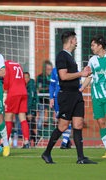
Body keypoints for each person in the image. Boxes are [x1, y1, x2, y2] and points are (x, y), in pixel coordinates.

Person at [41, 31, 97, 164]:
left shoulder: (70, 56)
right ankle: (46, 153)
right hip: (66, 95)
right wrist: (81, 73)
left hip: (76, 94)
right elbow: (63, 76)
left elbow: (72, 75)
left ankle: (81, 157)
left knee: (78, 124)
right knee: (63, 125)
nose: (77, 42)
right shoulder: (62, 56)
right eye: (76, 40)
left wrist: (83, 74)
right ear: (71, 41)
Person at [80, 35, 106, 159]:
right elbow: (90, 76)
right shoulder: (92, 60)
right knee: (101, 123)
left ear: (100, 45)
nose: (92, 47)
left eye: (93, 45)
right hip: (96, 97)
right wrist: (82, 88)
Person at [4, 60, 30, 149]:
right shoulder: (17, 64)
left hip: (13, 92)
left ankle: (5, 141)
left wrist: (5, 92)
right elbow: (23, 79)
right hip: (23, 91)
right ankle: (26, 141)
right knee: (22, 118)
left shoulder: (6, 65)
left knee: (8, 117)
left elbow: (6, 79)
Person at [49, 67, 72, 149]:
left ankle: (64, 142)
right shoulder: (55, 70)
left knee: (66, 119)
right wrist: (51, 97)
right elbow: (52, 85)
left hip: (68, 97)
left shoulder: (72, 69)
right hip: (57, 98)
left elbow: (78, 84)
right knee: (60, 120)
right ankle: (67, 140)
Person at [36, 61, 53, 131]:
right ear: (44, 69)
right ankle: (39, 131)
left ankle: (52, 130)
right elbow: (38, 88)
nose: (50, 71)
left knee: (54, 115)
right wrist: (47, 88)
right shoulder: (40, 77)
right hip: (41, 100)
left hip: (50, 100)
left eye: (51, 69)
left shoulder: (52, 77)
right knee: (41, 116)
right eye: (48, 69)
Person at [24, 72, 39, 146]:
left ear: (29, 78)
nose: (25, 79)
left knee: (30, 125)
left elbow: (32, 99)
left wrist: (30, 111)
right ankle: (35, 138)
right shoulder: (25, 86)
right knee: (28, 125)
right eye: (24, 77)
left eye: (26, 77)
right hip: (26, 108)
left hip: (31, 109)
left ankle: (33, 139)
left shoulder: (31, 86)